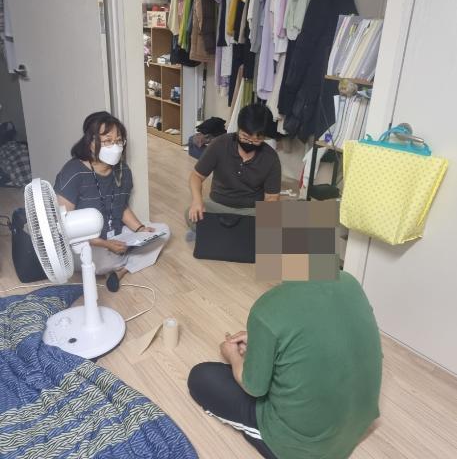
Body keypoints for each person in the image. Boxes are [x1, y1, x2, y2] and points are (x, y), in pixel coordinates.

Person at [187, 272, 383, 459]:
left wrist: (232, 355)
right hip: (360, 423)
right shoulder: (349, 281)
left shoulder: (268, 308)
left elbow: (253, 387)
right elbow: (324, 333)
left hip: (306, 449)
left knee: (201, 377)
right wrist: (264, 341)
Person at [54, 111, 170, 292]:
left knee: (163, 231)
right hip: (85, 244)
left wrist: (140, 229)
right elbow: (64, 224)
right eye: (107, 141)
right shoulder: (73, 172)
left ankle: (120, 271)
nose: (114, 146)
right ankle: (124, 262)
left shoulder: (123, 170)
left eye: (118, 141)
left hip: (115, 235)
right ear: (91, 142)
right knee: (102, 260)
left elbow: (121, 207)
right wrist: (104, 244)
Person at [186, 104, 281, 238]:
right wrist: (197, 201)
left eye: (256, 140)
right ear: (238, 129)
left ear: (264, 137)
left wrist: (267, 218)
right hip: (218, 206)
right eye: (245, 137)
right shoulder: (219, 144)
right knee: (190, 214)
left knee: (291, 221)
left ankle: (216, 234)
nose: (249, 143)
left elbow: (272, 197)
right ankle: (239, 236)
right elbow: (196, 176)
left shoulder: (270, 157)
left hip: (251, 211)